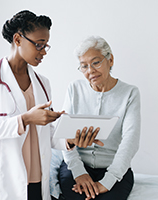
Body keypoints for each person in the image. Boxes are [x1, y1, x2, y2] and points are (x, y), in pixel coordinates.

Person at [0, 11, 102, 200]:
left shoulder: (42, 83)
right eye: (39, 45)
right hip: (3, 179)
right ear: (18, 39)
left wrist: (70, 140)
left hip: (36, 179)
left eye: (46, 46)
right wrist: (24, 119)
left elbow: (46, 134)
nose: (43, 52)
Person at [50, 36, 141, 200]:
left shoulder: (130, 93)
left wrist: (108, 180)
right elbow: (64, 135)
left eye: (96, 63)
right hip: (76, 165)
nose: (90, 70)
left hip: (114, 168)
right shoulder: (74, 88)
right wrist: (79, 173)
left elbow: (131, 140)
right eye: (83, 66)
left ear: (110, 60)